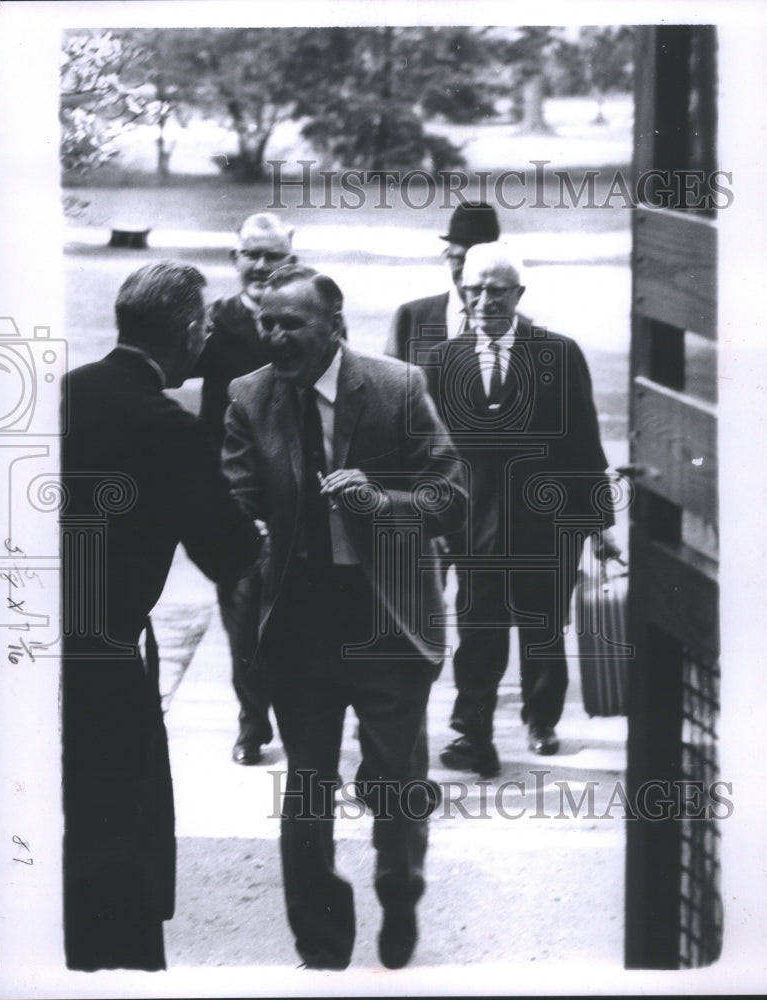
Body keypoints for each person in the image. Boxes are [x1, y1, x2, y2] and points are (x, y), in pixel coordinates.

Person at [222, 264, 467, 970]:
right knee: (307, 789)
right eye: (266, 323)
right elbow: (235, 494)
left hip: (386, 617)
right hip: (297, 623)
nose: (275, 337)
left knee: (394, 780)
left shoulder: (397, 387)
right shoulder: (250, 396)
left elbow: (449, 497)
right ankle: (321, 941)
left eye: (290, 324)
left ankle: (398, 890)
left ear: (335, 326)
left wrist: (381, 504)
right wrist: (245, 534)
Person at [60, 262, 262, 971]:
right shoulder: (166, 427)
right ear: (184, 332)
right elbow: (229, 551)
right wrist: (257, 534)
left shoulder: (63, 395)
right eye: (204, 326)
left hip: (39, 647)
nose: (207, 338)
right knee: (122, 838)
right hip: (108, 659)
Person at [429, 243, 618, 775]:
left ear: (518, 294)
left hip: (548, 528)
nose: (486, 300)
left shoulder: (558, 354)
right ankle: (473, 731)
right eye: (476, 289)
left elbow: (585, 442)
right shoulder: (442, 362)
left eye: (497, 290)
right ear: (463, 293)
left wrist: (600, 526)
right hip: (476, 530)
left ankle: (542, 719)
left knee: (542, 631)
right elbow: (431, 452)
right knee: (478, 633)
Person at [194, 212, 297, 765]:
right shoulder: (214, 323)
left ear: (291, 255)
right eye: (250, 255)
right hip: (232, 493)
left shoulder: (314, 313)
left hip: (299, 492)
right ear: (235, 258)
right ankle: (252, 723)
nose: (260, 266)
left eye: (271, 254)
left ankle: (309, 715)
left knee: (301, 611)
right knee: (241, 611)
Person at [384, 201, 501, 389]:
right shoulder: (410, 318)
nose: (468, 271)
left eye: (477, 261)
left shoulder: (517, 326)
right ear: (447, 255)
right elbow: (389, 394)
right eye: (460, 259)